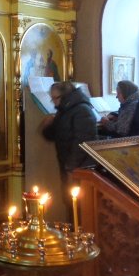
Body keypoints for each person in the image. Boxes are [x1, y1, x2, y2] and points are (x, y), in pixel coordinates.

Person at [41, 81, 97, 215]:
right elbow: (54, 135)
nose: (53, 102)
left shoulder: (82, 110)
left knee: (80, 206)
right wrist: (47, 126)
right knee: (70, 203)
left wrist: (71, 168)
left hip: (79, 168)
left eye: (55, 98)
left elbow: (83, 142)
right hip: (68, 166)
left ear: (65, 96)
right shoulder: (64, 110)